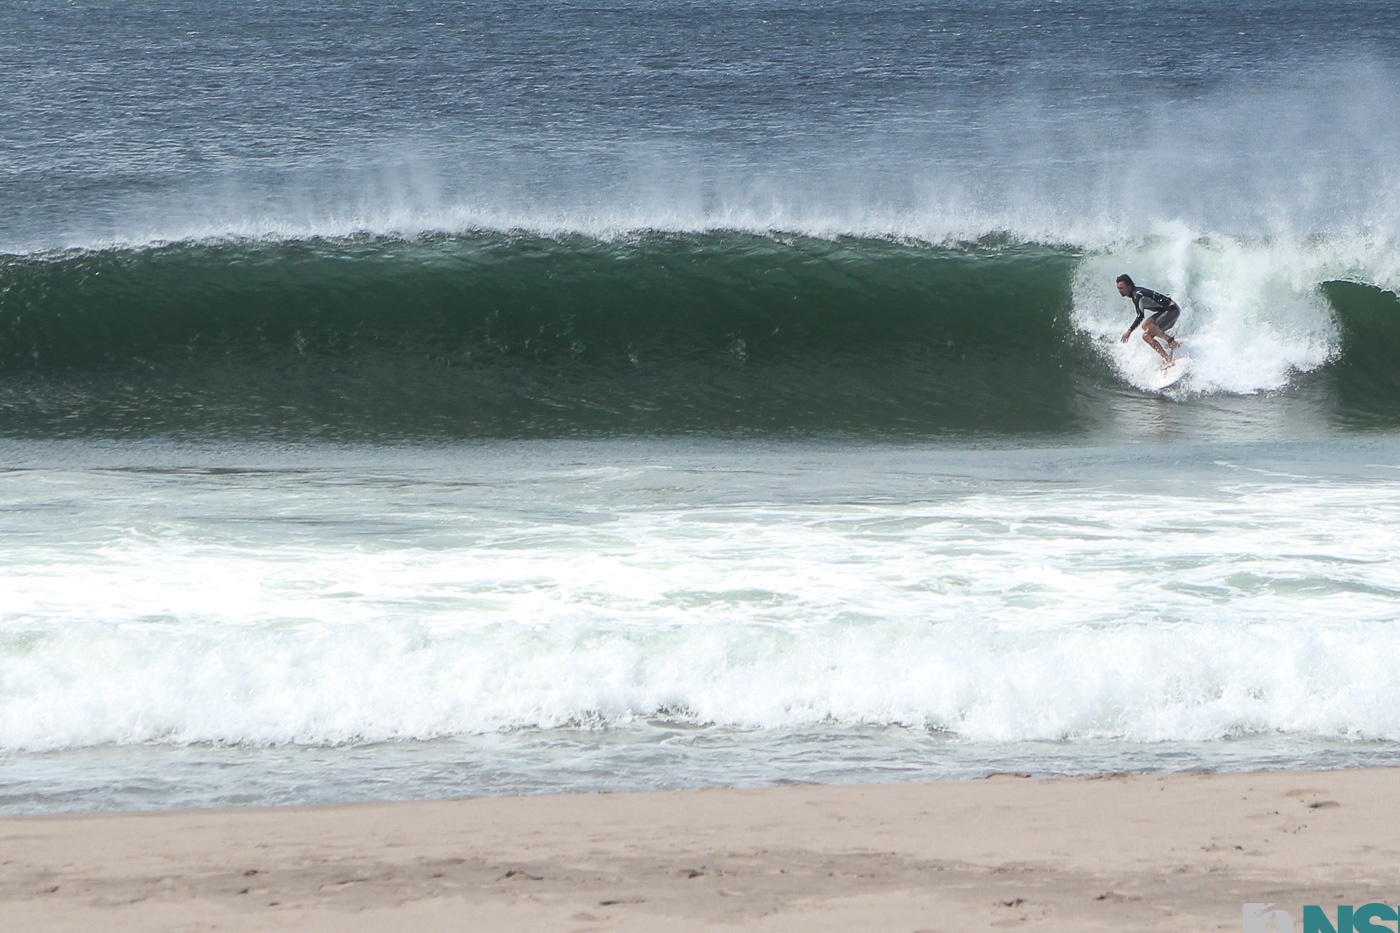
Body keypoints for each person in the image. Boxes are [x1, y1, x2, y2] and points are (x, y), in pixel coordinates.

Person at [1117, 274, 1182, 365]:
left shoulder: (1136, 295)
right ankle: (1171, 342)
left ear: (1129, 286)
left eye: (1121, 288)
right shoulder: (1136, 293)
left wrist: (1129, 331)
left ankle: (1168, 360)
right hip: (1170, 310)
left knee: (1146, 336)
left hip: (1171, 311)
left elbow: (1140, 315)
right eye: (1118, 288)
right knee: (1145, 325)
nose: (1120, 291)